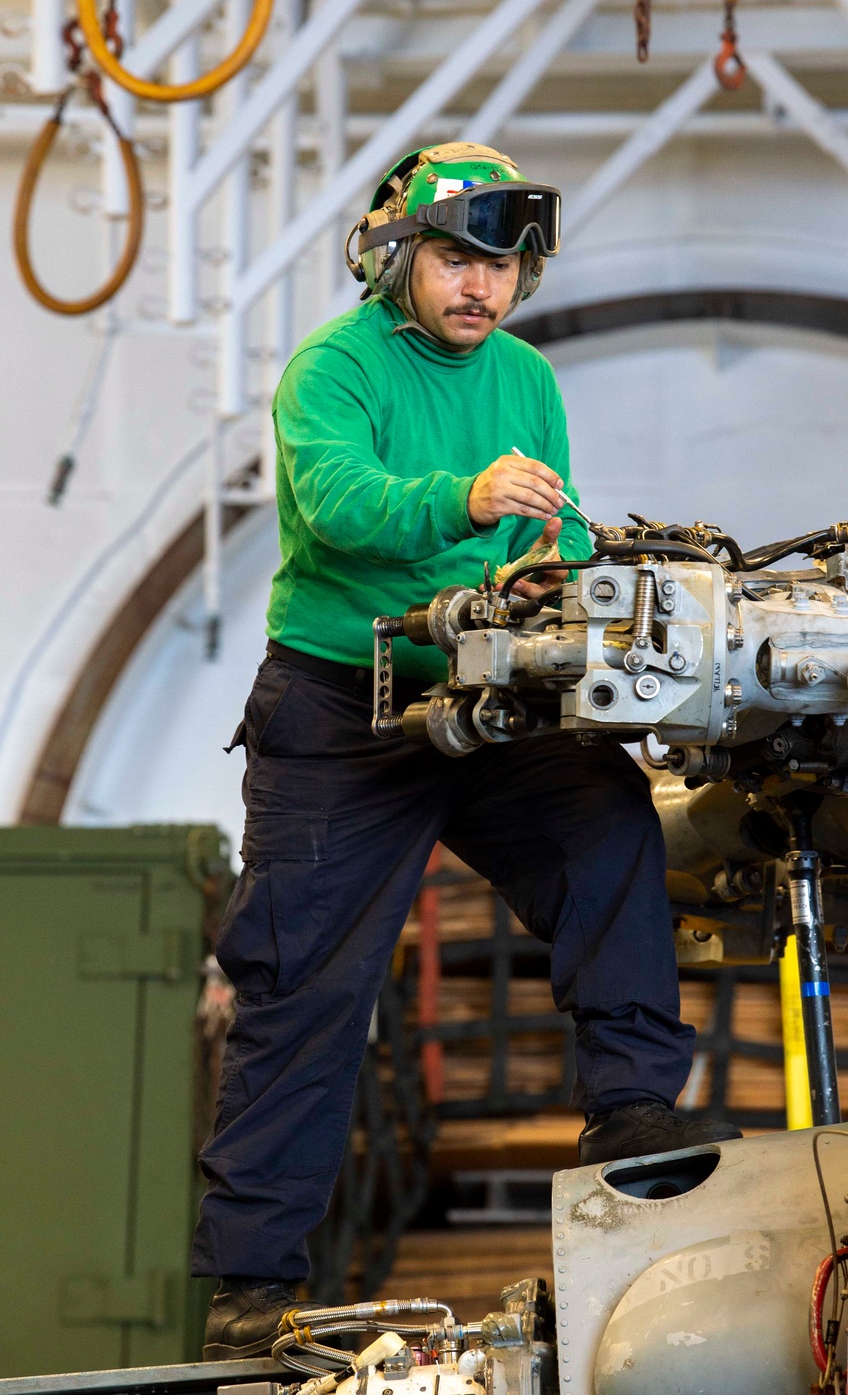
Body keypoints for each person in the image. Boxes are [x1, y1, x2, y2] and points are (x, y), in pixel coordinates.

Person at [195, 141, 741, 1361]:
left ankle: (635, 1113)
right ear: (394, 254)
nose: (478, 287)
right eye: (454, 259)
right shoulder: (329, 371)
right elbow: (338, 507)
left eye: (501, 266)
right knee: (301, 981)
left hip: (492, 693)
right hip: (343, 709)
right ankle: (245, 1281)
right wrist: (468, 498)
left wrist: (593, 567)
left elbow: (559, 519)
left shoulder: (527, 377)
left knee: (606, 823)